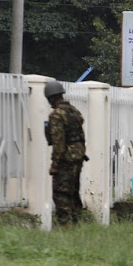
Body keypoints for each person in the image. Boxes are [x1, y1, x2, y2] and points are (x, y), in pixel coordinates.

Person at [44, 81, 87, 225]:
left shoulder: (56, 115)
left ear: (50, 97)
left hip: (66, 159)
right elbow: (80, 135)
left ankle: (65, 225)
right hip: (78, 156)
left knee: (61, 193)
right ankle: (76, 222)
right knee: (74, 190)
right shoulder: (74, 111)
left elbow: (58, 143)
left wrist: (54, 164)